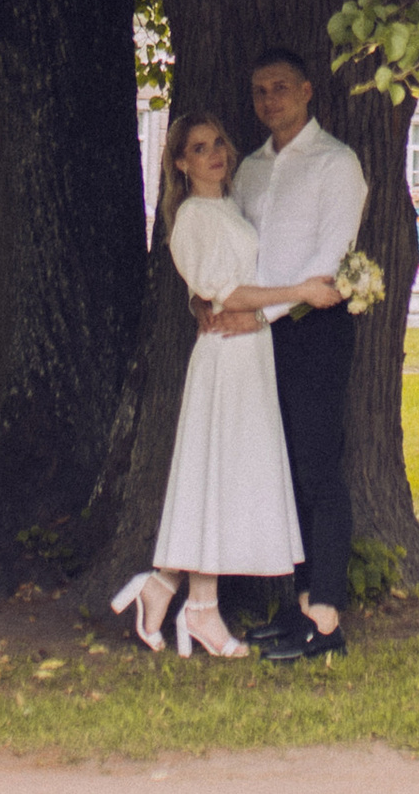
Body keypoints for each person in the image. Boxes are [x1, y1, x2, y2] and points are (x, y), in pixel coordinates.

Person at [109, 113, 304, 658]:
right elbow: (225, 293)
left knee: (225, 479)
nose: (214, 153)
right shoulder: (193, 215)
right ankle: (200, 609)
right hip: (225, 359)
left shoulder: (229, 206)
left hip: (249, 356)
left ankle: (165, 586)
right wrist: (302, 290)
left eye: (219, 142)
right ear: (180, 163)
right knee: (217, 476)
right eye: (199, 148)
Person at [208, 44, 369, 663]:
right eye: (259, 91)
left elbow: (327, 265)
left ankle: (327, 617)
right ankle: (297, 605)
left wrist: (260, 312)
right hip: (256, 334)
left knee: (318, 469)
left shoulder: (336, 164)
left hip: (313, 330)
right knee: (277, 470)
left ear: (306, 92)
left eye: (280, 87)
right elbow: (239, 254)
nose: (269, 100)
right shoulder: (247, 168)